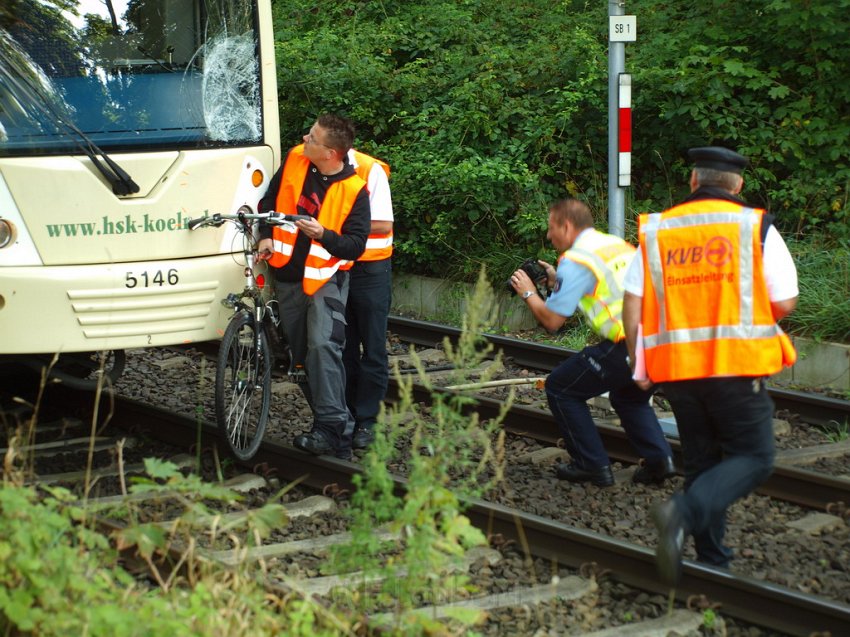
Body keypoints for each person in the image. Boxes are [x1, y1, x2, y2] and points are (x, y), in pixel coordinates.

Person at [622, 146, 798, 586]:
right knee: (754, 458)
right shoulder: (753, 226)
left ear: (693, 182)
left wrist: (636, 360)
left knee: (702, 464)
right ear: (737, 185)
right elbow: (785, 300)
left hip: (678, 369)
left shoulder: (658, 230)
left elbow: (634, 301)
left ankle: (711, 560)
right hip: (735, 367)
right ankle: (681, 512)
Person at [510, 198, 675, 488]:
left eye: (552, 228)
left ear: (567, 225)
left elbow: (552, 321)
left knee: (561, 388)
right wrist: (554, 281)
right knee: (628, 397)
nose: (549, 236)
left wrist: (528, 293)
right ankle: (660, 462)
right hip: (661, 338)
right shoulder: (611, 244)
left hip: (626, 342)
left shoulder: (575, 260)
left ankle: (591, 465)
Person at [257, 114, 370, 460]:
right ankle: (339, 432)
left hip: (326, 281)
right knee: (304, 357)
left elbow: (355, 246)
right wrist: (264, 236)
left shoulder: (354, 190)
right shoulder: (295, 158)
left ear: (332, 153)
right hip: (289, 278)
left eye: (313, 138)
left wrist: (324, 235)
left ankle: (329, 428)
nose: (305, 138)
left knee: (323, 347)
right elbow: (267, 204)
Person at [344, 149, 394, 449]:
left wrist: (333, 226)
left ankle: (368, 421)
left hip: (370, 266)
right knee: (343, 346)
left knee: (373, 348)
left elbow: (383, 224)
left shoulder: (368, 169)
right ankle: (348, 415)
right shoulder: (310, 166)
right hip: (336, 264)